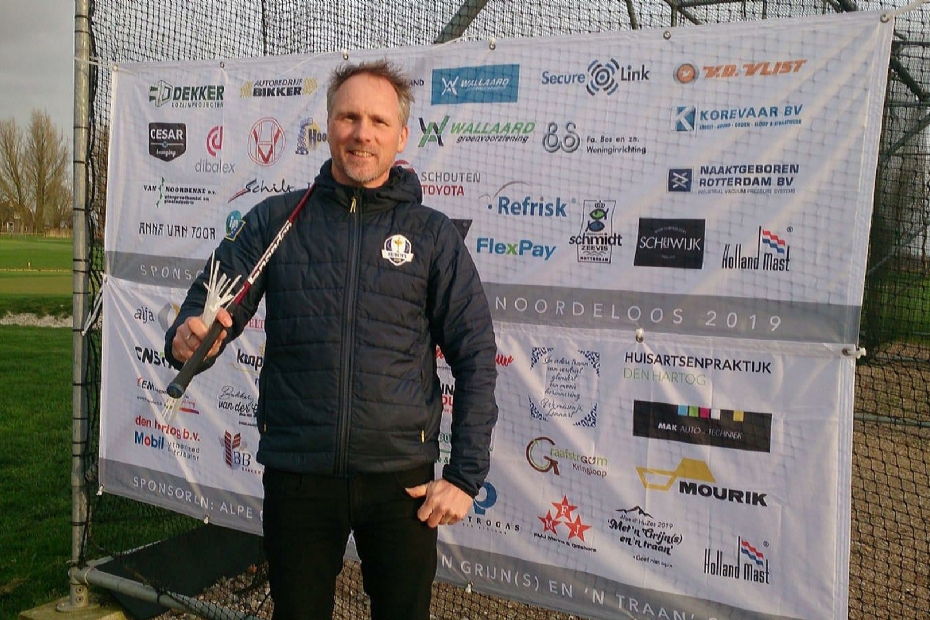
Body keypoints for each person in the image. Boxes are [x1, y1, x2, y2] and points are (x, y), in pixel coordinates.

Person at [164, 59, 499, 620]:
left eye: (378, 121)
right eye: (349, 117)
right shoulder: (277, 219)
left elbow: (477, 356)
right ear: (328, 125)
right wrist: (188, 339)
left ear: (400, 136)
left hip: (401, 484)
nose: (362, 133)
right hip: (299, 477)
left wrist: (465, 477)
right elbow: (208, 309)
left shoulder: (431, 234)